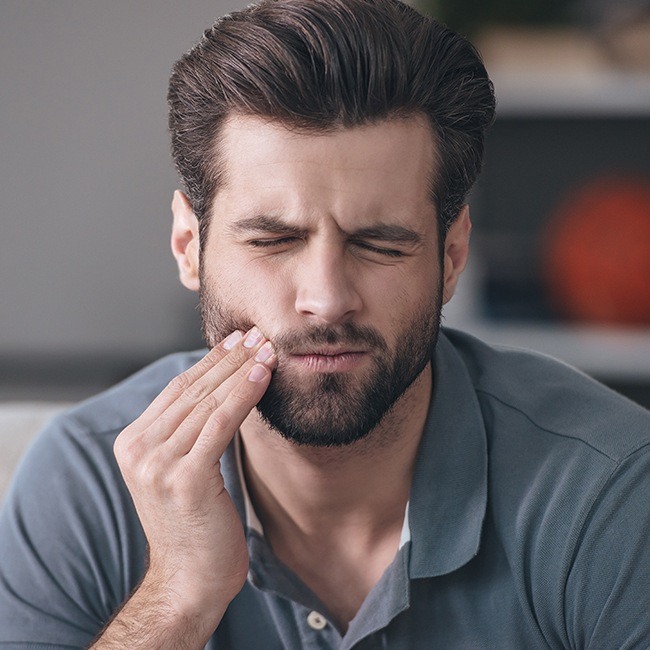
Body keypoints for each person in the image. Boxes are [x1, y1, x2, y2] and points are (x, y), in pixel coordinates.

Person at [0, 0, 648, 647]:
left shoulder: (611, 492)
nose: (327, 298)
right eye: (273, 240)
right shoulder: (83, 483)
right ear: (187, 247)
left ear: (451, 258)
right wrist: (178, 598)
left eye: (380, 244)